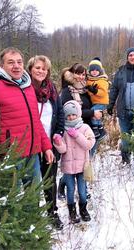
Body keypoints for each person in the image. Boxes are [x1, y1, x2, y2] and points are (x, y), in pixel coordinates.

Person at [0, 47, 54, 187]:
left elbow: (35, 121)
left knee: (33, 201)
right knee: (12, 204)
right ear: (1, 66)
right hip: (9, 157)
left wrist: (46, 146)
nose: (16, 66)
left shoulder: (28, 87)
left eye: (19, 62)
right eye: (11, 62)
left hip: (32, 155)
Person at [27, 55, 65, 230]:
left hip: (50, 143)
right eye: (37, 68)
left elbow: (60, 113)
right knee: (32, 182)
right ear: (30, 69)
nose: (41, 71)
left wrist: (58, 133)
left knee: (50, 180)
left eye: (44, 69)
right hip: (31, 144)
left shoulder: (51, 89)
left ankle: (52, 213)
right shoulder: (24, 89)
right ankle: (31, 216)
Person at [58, 63, 102, 199]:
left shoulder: (84, 89)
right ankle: (62, 184)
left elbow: (93, 103)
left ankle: (84, 188)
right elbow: (69, 112)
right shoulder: (67, 91)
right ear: (72, 74)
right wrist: (92, 113)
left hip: (85, 130)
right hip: (71, 132)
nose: (81, 77)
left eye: (83, 74)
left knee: (84, 161)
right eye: (78, 73)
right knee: (72, 161)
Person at [53, 100, 95, 223]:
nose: (71, 117)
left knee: (82, 191)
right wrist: (58, 142)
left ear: (78, 114)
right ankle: (72, 212)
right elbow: (63, 150)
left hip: (82, 166)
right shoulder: (64, 130)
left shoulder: (85, 128)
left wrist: (77, 135)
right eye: (68, 115)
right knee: (70, 190)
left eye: (73, 115)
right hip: (69, 167)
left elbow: (89, 144)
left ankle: (83, 209)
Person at [86, 57, 109, 140]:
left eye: (96, 70)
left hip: (101, 102)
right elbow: (87, 90)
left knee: (94, 113)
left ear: (100, 71)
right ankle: (100, 129)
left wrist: (95, 91)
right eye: (92, 70)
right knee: (97, 115)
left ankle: (95, 129)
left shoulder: (102, 80)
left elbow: (103, 92)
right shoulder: (89, 80)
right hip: (95, 101)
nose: (94, 72)